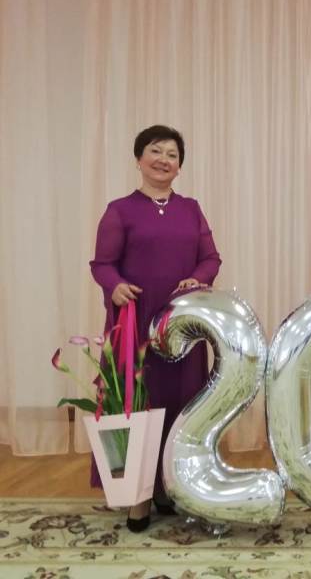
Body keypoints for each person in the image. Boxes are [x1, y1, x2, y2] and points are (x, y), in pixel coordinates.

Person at [90, 125, 222, 532]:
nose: (163, 159)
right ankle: (138, 498)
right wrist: (115, 286)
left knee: (181, 405)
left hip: (181, 327)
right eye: (155, 151)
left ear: (179, 167)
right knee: (140, 406)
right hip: (136, 326)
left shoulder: (191, 209)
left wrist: (198, 278)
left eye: (172, 154)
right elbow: (102, 265)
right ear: (139, 159)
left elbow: (211, 258)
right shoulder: (119, 210)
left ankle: (170, 488)